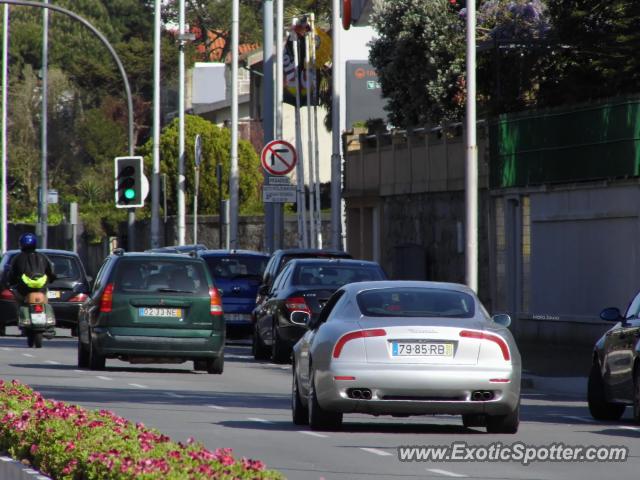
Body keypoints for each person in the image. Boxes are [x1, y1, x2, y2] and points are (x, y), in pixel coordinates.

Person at [7, 233, 57, 303]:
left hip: (23, 291)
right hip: (41, 290)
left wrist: (10, 282)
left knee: (17, 301)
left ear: (21, 244)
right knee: (46, 302)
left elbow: (12, 275)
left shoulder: (18, 258)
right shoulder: (43, 257)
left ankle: (20, 312)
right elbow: (51, 273)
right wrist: (51, 279)